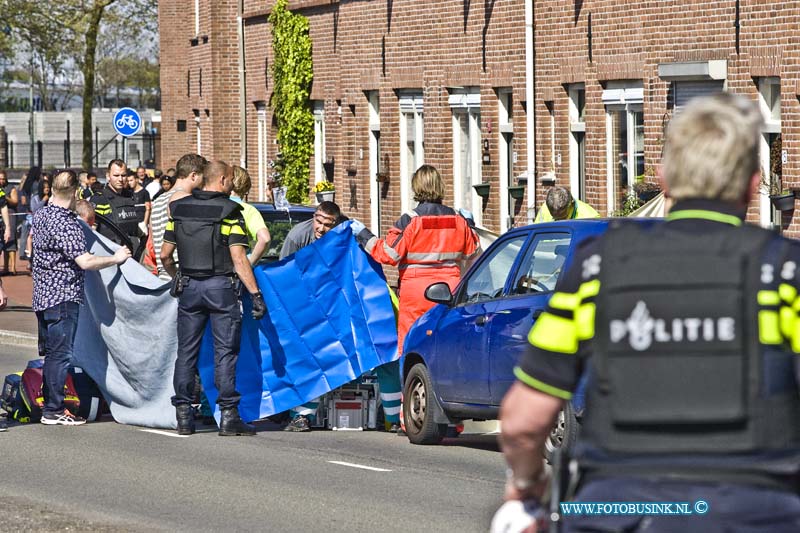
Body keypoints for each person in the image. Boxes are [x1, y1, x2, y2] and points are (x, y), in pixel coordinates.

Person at [496, 93, 800, 533]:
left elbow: (524, 421)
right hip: (757, 513)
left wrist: (528, 486)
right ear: (754, 183)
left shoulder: (597, 268)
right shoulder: (786, 274)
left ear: (662, 176)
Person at [352, 165, 481, 434]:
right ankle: (452, 418)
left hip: (415, 292)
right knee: (447, 351)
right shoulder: (458, 219)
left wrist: (363, 236)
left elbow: (389, 254)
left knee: (410, 352)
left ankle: (409, 418)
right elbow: (475, 252)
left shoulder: (410, 220)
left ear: (416, 187)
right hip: (450, 290)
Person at [160, 159, 266, 437]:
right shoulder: (231, 212)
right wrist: (255, 294)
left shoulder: (179, 210)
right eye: (230, 179)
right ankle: (229, 416)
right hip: (221, 289)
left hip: (190, 288)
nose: (231, 184)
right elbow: (239, 258)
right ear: (221, 181)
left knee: (186, 352)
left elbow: (164, 255)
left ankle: (183, 415)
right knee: (225, 352)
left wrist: (177, 276)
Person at [32, 170, 131, 426]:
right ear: (76, 192)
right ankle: (53, 410)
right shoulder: (66, 223)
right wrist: (116, 258)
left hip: (43, 295)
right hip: (63, 295)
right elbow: (85, 261)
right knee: (60, 355)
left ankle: (50, 407)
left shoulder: (41, 214)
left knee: (52, 354)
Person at [279, 201, 342, 432]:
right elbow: (284, 272)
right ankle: (299, 414)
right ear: (314, 217)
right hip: (303, 302)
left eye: (327, 224)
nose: (321, 228)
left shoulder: (344, 235)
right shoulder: (298, 236)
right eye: (318, 221)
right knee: (306, 358)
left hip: (333, 301)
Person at [151, 154, 205, 281]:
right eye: (203, 178)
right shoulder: (184, 200)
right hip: (181, 276)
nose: (204, 183)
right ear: (193, 176)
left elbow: (153, 240)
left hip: (164, 276)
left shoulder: (158, 200)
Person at [90, 160, 142, 250]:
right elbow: (91, 231)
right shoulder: (99, 198)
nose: (120, 179)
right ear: (108, 176)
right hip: (109, 254)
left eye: (123, 175)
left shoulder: (129, 196)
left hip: (132, 253)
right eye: (116, 175)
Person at [231, 166, 271, 266]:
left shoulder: (215, 206)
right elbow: (265, 239)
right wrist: (249, 264)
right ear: (247, 188)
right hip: (238, 269)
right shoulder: (248, 210)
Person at [534, 186, 599, 222]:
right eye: (555, 218)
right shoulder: (545, 209)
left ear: (572, 204)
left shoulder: (591, 218)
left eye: (563, 217)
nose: (559, 222)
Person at [0, 170, 18, 275]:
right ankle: (5, 267)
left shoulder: (10, 188)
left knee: (11, 241)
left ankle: (13, 267)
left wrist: (5, 197)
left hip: (10, 214)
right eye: (0, 178)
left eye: (3, 178)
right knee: (3, 243)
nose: (1, 180)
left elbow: (15, 202)